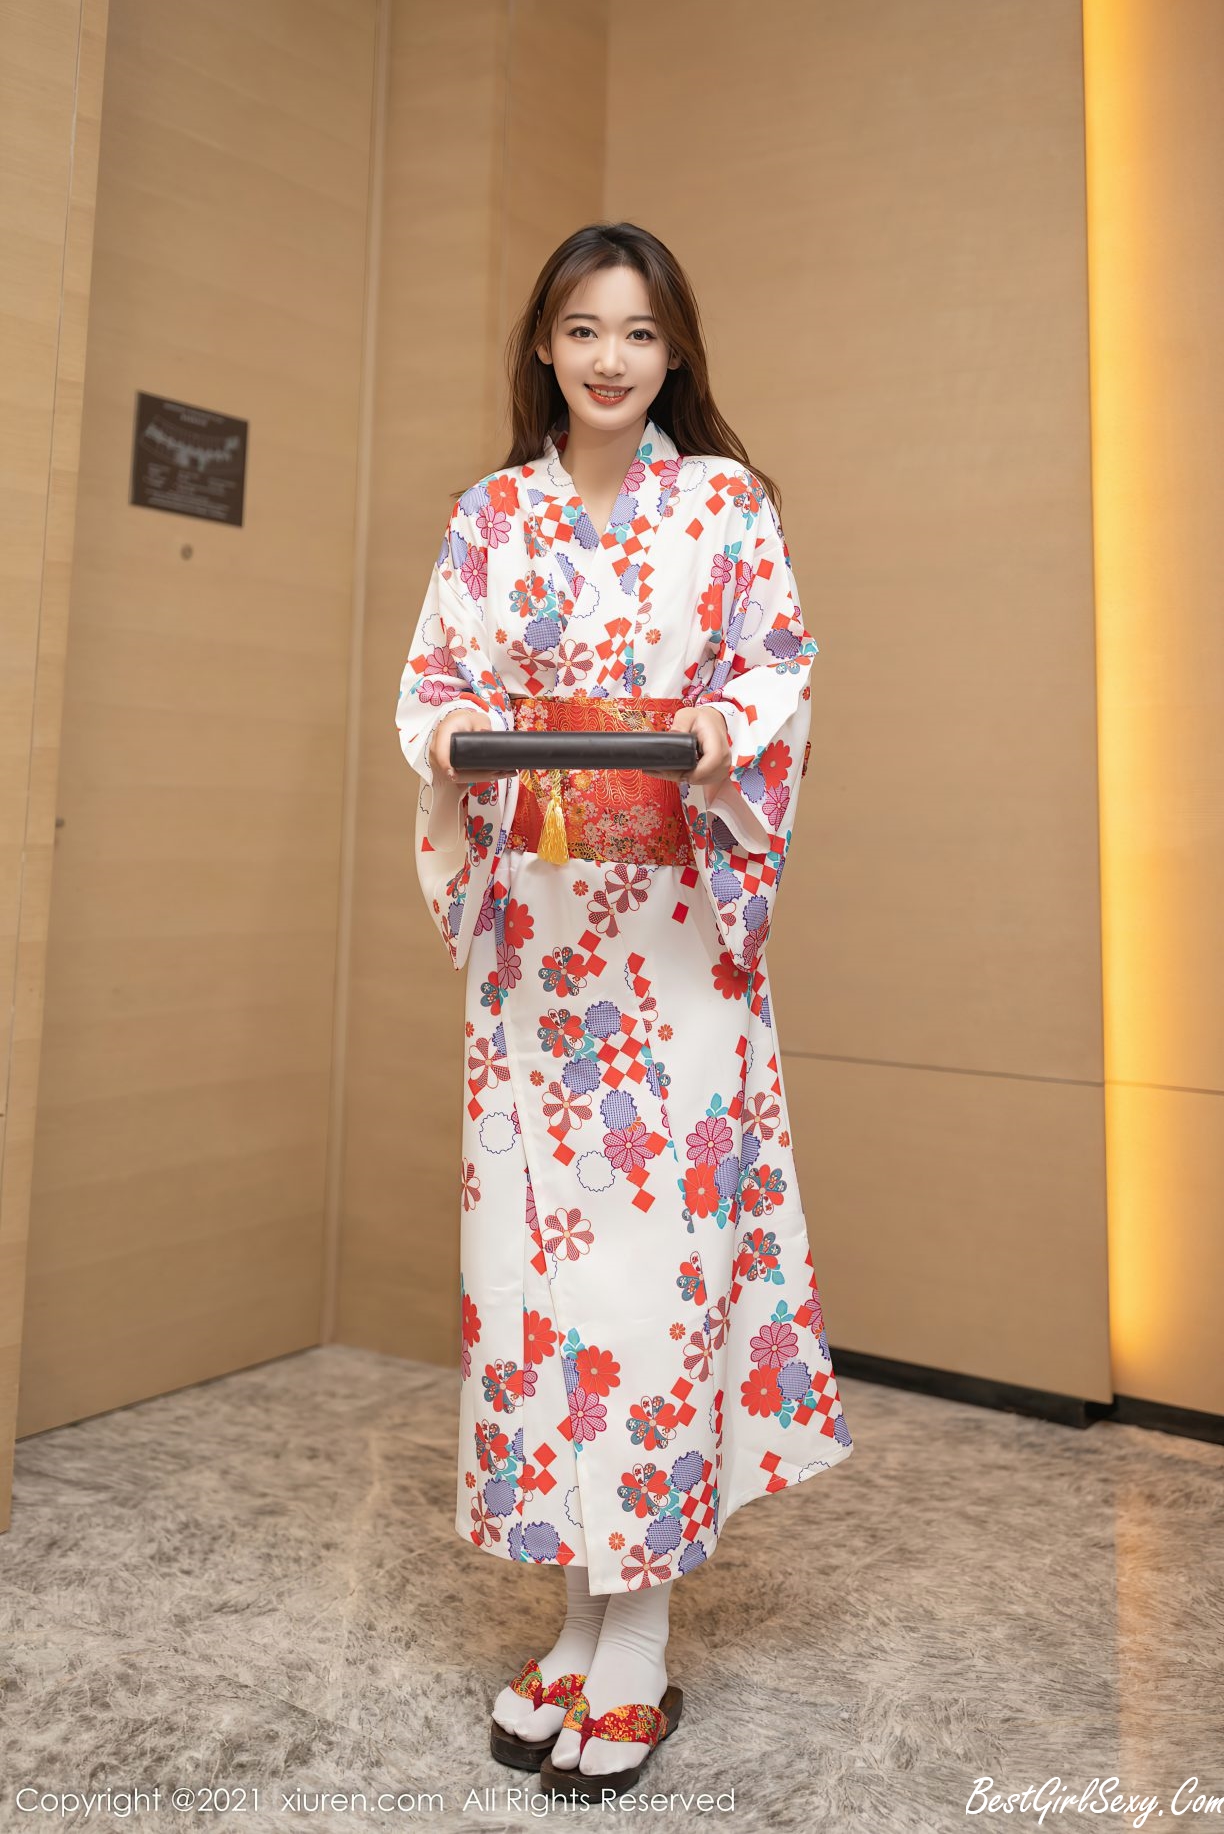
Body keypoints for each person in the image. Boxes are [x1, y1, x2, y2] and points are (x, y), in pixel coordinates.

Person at [394, 222, 853, 1799]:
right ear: (543, 342)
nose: (610, 358)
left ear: (674, 354)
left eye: (640, 333)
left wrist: (719, 731)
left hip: (673, 951)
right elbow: (432, 688)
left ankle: (638, 1640)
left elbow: (777, 671)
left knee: (658, 1285)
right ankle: (580, 1616)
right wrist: (458, 736)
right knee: (537, 1285)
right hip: (535, 944)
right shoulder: (491, 516)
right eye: (583, 328)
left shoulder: (724, 504)